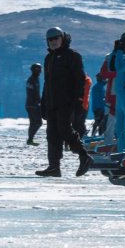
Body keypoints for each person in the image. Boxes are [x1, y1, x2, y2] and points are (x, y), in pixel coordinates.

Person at [37, 27, 93, 178]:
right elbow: (46, 83)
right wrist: (43, 103)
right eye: (50, 39)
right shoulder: (49, 59)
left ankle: (84, 156)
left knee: (66, 131)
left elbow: (80, 80)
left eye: (56, 38)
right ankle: (54, 166)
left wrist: (79, 102)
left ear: (62, 38)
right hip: (51, 103)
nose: (54, 42)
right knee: (52, 134)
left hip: (67, 103)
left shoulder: (72, 56)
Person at [24, 63, 42, 145]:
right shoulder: (32, 80)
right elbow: (32, 93)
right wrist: (37, 103)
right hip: (32, 105)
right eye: (38, 69)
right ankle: (30, 139)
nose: (40, 71)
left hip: (31, 104)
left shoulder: (35, 79)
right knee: (38, 122)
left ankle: (30, 139)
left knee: (33, 123)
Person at [89, 72, 107, 137]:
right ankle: (97, 136)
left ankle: (94, 136)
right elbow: (98, 99)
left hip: (97, 108)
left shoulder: (97, 87)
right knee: (99, 123)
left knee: (98, 122)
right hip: (99, 108)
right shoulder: (99, 87)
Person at [75, 73, 92, 139]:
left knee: (79, 122)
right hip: (84, 105)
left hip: (81, 105)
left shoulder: (85, 82)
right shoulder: (87, 81)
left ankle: (81, 137)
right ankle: (82, 136)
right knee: (80, 122)